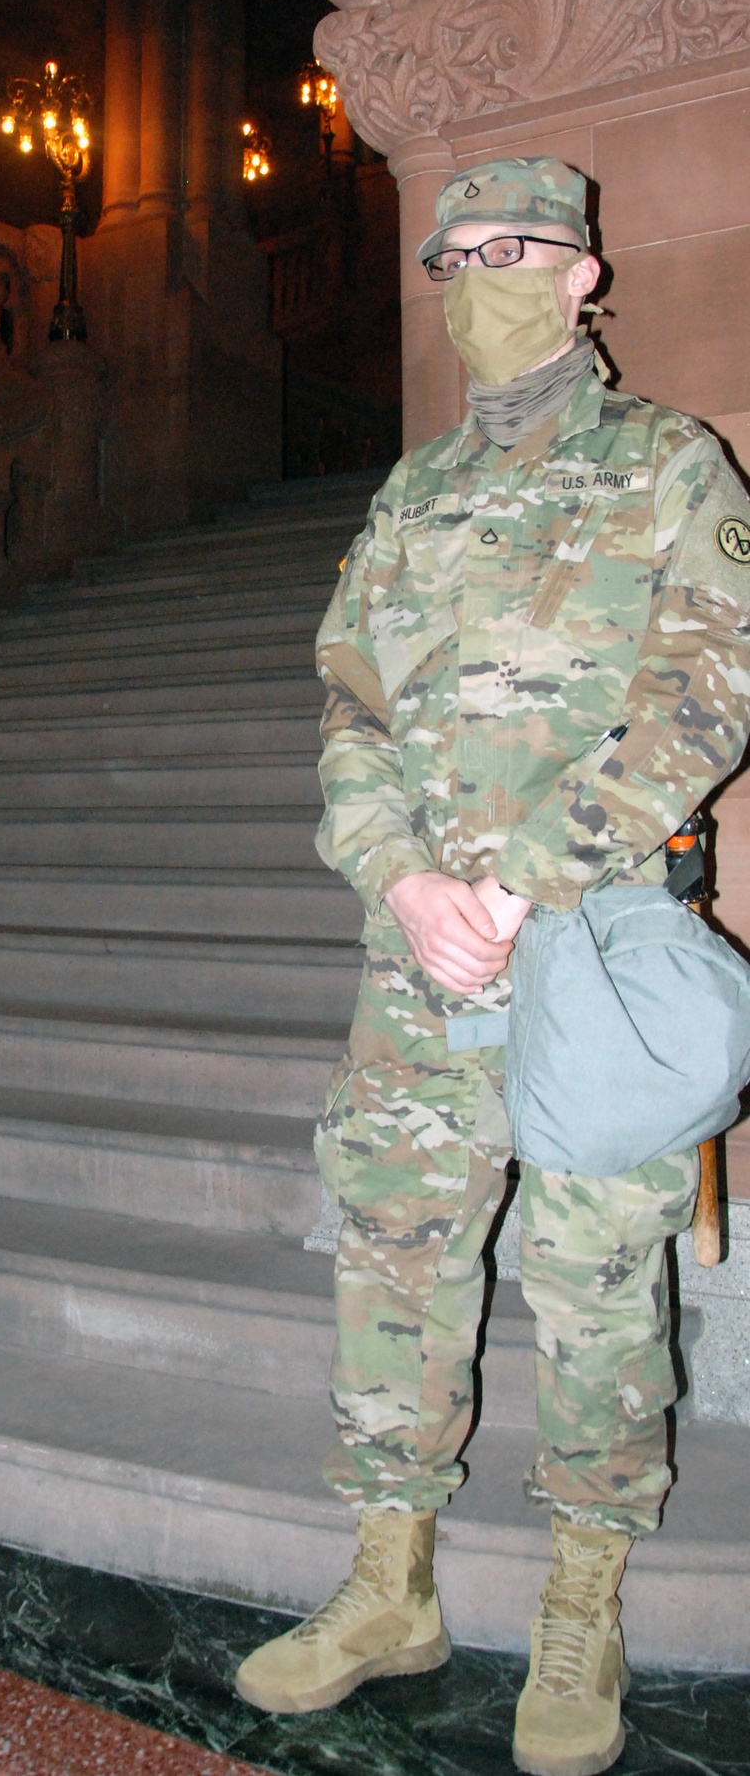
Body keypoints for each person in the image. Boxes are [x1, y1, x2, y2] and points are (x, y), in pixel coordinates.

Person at [235, 158, 750, 1776]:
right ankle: (392, 1584)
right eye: (451, 257)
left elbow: (712, 695)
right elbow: (353, 710)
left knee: (600, 1282)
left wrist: (518, 886)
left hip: (592, 938)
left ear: (586, 273)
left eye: (510, 250)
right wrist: (395, 873)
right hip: (418, 961)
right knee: (394, 1260)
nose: (475, 279)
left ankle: (584, 1597)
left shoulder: (670, 464)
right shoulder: (410, 493)